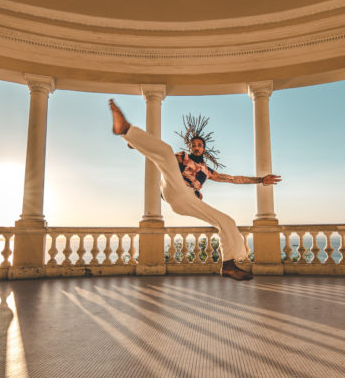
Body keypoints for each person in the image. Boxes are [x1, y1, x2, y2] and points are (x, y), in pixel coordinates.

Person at [109, 99, 281, 280]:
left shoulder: (207, 171)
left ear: (204, 149)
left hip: (189, 200)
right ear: (190, 147)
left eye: (199, 145)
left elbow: (233, 179)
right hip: (174, 188)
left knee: (227, 221)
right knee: (166, 152)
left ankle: (229, 265)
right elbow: (159, 156)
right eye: (193, 145)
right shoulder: (182, 157)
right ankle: (126, 130)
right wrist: (136, 144)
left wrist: (261, 179)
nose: (196, 147)